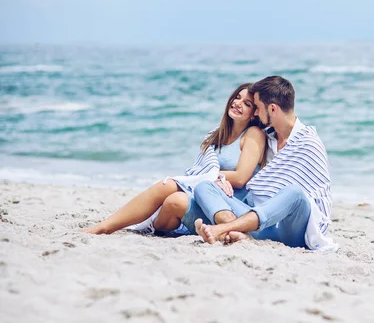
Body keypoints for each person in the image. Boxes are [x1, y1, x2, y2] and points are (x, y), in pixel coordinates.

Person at [83, 83, 266, 235]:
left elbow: (241, 177)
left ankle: (105, 227)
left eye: (247, 104)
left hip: (226, 206)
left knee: (171, 189)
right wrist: (213, 176)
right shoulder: (216, 136)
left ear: (254, 113)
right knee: (173, 200)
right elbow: (205, 170)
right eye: (237, 97)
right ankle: (115, 225)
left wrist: (216, 177)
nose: (238, 103)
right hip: (203, 194)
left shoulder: (253, 134)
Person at [191, 76, 338, 251]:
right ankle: (244, 235)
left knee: (295, 193)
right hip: (260, 225)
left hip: (291, 230)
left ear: (273, 108)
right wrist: (220, 178)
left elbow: (320, 195)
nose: (255, 114)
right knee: (204, 187)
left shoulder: (308, 142)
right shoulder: (267, 139)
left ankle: (223, 229)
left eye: (258, 108)